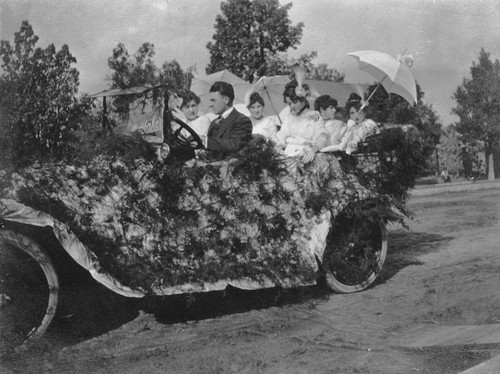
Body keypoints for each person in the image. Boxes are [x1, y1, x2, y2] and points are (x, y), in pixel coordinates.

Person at [275, 80, 329, 163]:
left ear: (304, 100)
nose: (292, 106)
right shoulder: (288, 117)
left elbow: (323, 137)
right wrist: (278, 147)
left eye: (295, 102)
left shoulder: (314, 117)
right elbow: (282, 137)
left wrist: (314, 149)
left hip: (305, 156)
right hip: (287, 156)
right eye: (289, 103)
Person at [200, 81, 252, 158]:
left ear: (226, 100)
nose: (211, 104)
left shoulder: (242, 120)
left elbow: (234, 144)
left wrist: (206, 141)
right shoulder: (214, 122)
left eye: (214, 100)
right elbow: (211, 149)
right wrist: (203, 152)